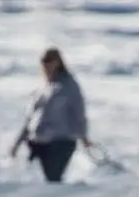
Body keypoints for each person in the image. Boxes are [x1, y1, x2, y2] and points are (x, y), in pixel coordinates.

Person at [10, 47, 93, 182]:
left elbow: (78, 112)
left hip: (61, 141)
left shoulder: (68, 86)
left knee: (52, 179)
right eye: (44, 62)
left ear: (58, 62)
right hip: (38, 141)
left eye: (50, 61)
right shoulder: (43, 87)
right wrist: (18, 142)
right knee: (31, 179)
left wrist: (83, 136)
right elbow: (31, 117)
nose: (47, 65)